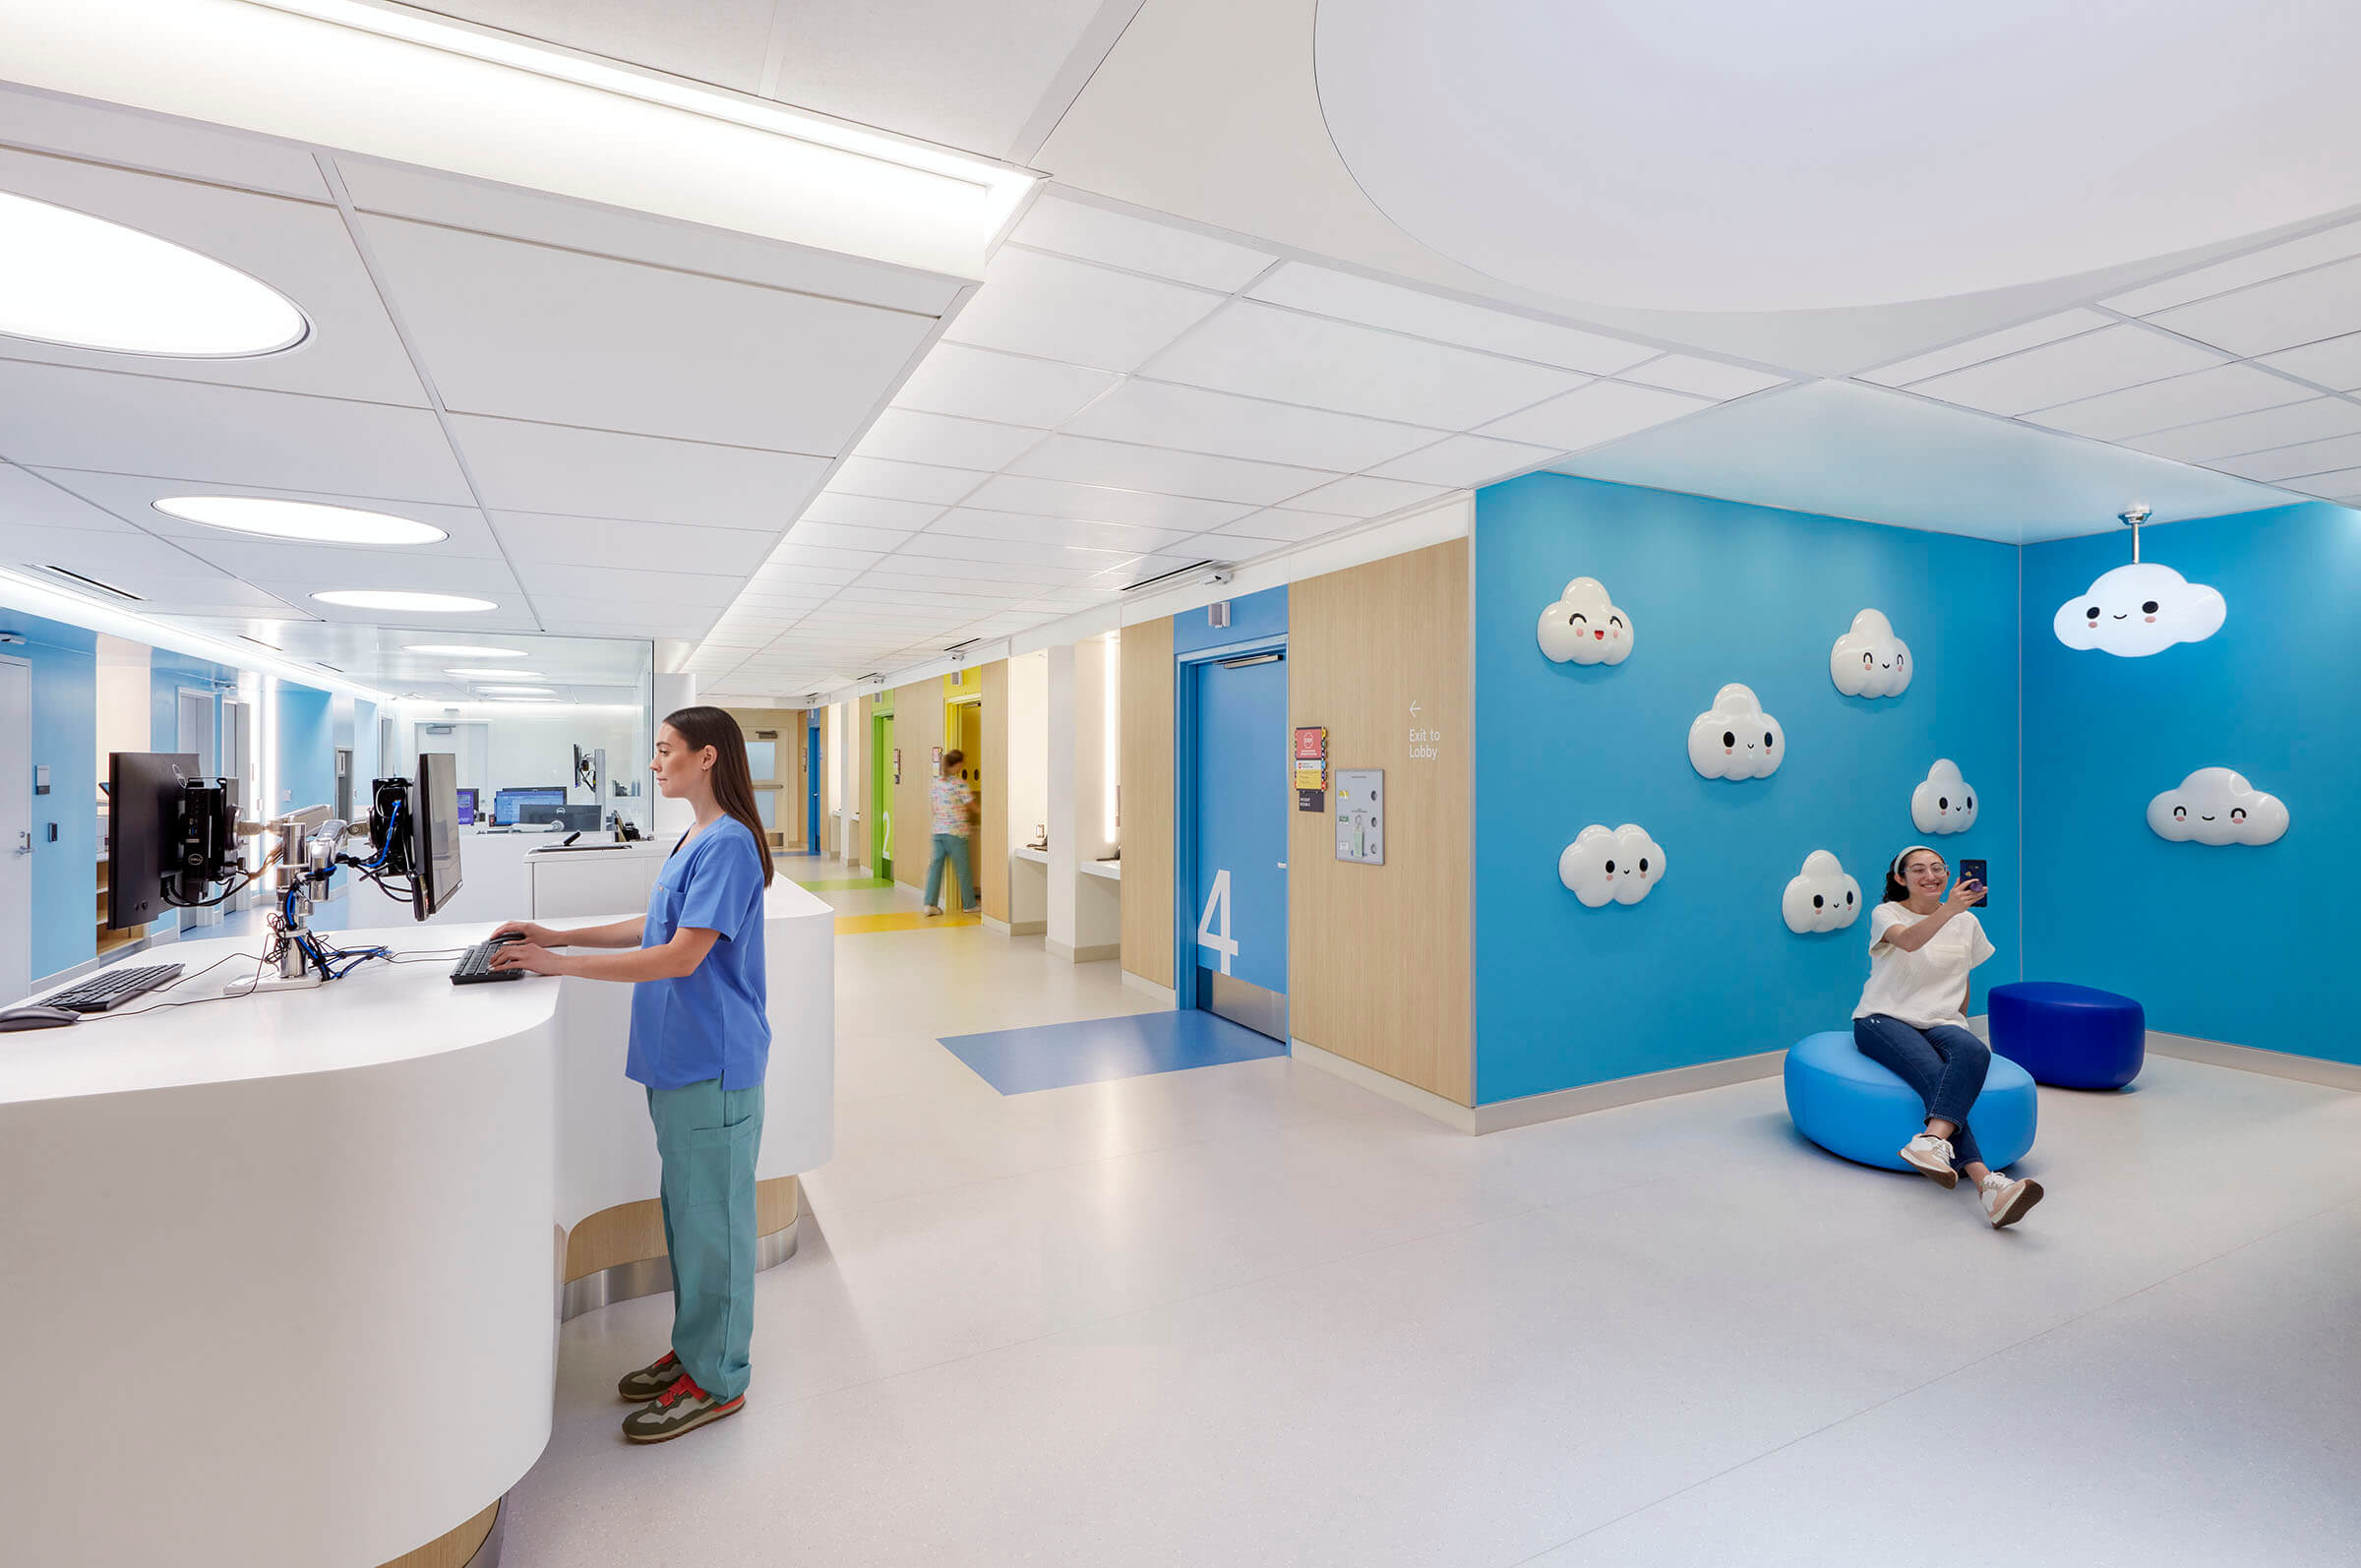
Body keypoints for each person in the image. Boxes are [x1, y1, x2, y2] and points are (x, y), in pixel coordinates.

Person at [489, 706, 774, 1441]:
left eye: (665, 749)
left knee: (716, 1228)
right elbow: (653, 926)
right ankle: (695, 1350)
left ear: (707, 757)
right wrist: (558, 936)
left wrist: (561, 965)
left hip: (714, 1064)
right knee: (689, 1219)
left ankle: (720, 1379)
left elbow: (681, 956)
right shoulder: (697, 837)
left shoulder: (731, 844)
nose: (654, 763)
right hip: (678, 1061)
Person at [1851, 845, 2045, 1229]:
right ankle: (1986, 1182)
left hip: (1940, 1019)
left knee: (1974, 1052)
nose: (1931, 875)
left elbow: (1961, 976)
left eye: (1938, 868)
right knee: (1934, 1076)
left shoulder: (1967, 922)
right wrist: (1949, 910)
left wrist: (1959, 1023)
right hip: (1883, 1018)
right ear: (1900, 878)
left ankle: (1930, 1142)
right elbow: (1909, 941)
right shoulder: (1886, 913)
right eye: (1918, 869)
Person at [922, 748, 980, 917]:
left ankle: (930, 904)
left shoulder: (936, 783)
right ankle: (969, 904)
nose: (962, 767)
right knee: (963, 870)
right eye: (961, 764)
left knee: (935, 868)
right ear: (957, 765)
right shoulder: (959, 784)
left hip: (938, 831)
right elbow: (972, 806)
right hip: (956, 833)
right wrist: (988, 813)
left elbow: (934, 807)